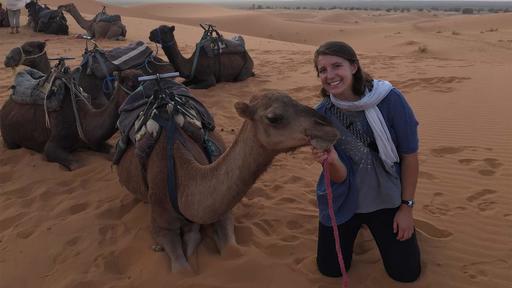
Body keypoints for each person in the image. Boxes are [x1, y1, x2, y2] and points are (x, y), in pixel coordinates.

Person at [311, 41, 421, 282]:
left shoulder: (390, 100)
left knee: (406, 274)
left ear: (353, 66)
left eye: (336, 66)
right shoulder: (322, 115)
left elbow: (409, 156)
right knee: (331, 269)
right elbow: (338, 177)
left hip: (386, 199)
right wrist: (332, 161)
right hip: (343, 201)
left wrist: (406, 207)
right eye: (322, 70)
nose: (330, 75)